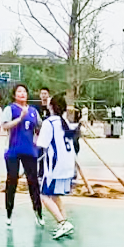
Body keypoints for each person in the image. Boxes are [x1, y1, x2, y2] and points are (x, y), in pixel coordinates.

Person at [2, 83, 43, 227]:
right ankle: (9, 212)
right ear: (14, 95)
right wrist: (20, 118)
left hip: (30, 150)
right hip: (13, 150)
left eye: (24, 91)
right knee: (12, 180)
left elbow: (39, 127)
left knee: (33, 182)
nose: (22, 94)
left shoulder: (33, 111)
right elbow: (5, 126)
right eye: (19, 91)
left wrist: (37, 139)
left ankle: (38, 212)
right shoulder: (10, 109)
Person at [37, 96, 76, 239]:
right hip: (68, 164)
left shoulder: (49, 123)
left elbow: (41, 145)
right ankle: (64, 222)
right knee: (55, 195)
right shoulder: (64, 122)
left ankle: (62, 223)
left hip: (55, 165)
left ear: (51, 107)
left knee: (44, 195)